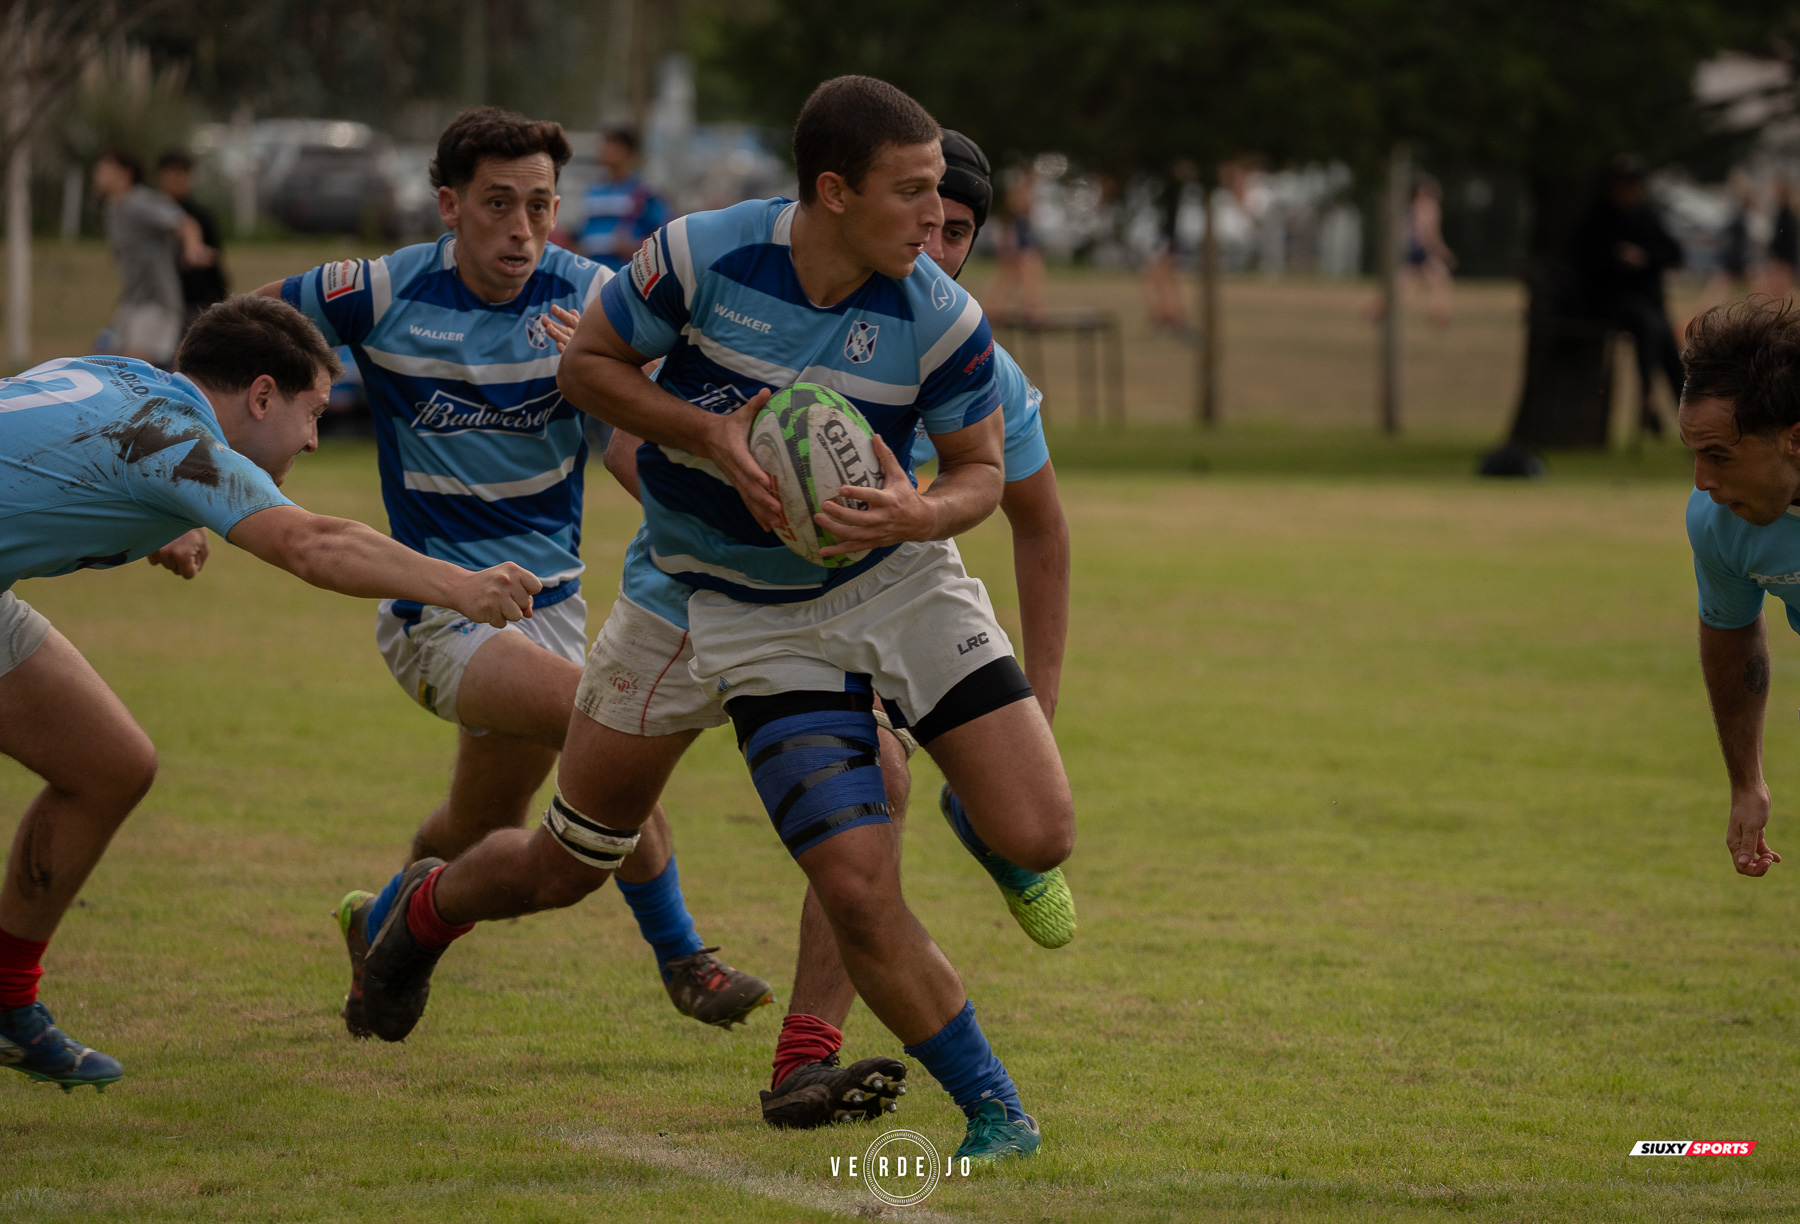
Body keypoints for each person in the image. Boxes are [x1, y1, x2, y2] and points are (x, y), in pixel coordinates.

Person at [362, 75, 1074, 1164]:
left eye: (950, 207)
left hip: (889, 581)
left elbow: (988, 477)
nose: (938, 227)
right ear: (833, 192)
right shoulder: (701, 257)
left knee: (1033, 830)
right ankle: (423, 913)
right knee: (574, 861)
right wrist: (710, 436)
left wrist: (919, 509)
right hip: (703, 601)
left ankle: (839, 1049)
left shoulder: (939, 316)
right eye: (916, 196)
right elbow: (587, 368)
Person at [250, 107, 770, 1040]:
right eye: (497, 205)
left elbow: (628, 456)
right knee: (609, 729)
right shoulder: (379, 291)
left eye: (540, 206)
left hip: (555, 611)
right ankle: (686, 961)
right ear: (449, 205)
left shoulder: (593, 299)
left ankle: (377, 934)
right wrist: (202, 469)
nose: (523, 230)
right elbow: (239, 336)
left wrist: (625, 383)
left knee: (477, 824)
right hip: (434, 614)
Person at [0, 296, 541, 1092]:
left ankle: (8, 1006)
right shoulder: (171, 439)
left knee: (110, 763)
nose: (316, 438)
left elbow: (58, 459)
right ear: (260, 396)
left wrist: (164, 521)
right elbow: (314, 544)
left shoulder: (120, 377)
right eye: (311, 413)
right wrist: (460, 586)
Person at [755, 126, 1076, 1130]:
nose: (935, 249)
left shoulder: (972, 355)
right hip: (724, 602)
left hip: (890, 603)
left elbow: (1041, 528)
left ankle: (809, 1056)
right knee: (573, 842)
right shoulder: (783, 313)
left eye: (959, 231)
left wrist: (1037, 718)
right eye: (923, 222)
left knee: (896, 790)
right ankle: (409, 916)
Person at [1675, 297, 1800, 883]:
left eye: (1719, 455)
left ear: (1794, 439)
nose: (1704, 482)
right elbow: (1731, 626)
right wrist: (1746, 782)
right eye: (1696, 455)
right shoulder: (1717, 521)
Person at [1569, 155, 1685, 438]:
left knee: (1668, 347)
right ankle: (1647, 398)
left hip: (1648, 303)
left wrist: (1644, 258)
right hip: (1609, 302)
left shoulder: (1647, 217)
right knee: (1647, 325)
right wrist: (1615, 257)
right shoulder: (1598, 218)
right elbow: (1583, 260)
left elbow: (1674, 253)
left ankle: (1686, 416)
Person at [91, 149, 214, 367]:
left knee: (133, 372)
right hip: (132, 302)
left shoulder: (139, 202)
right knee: (114, 367)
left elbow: (185, 223)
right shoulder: (113, 206)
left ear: (124, 174)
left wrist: (192, 248)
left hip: (156, 301)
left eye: (104, 170)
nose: (97, 175)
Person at [568, 128, 671, 273]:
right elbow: (583, 232)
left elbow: (664, 233)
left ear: (629, 152)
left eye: (614, 145)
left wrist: (636, 247)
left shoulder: (643, 191)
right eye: (605, 144)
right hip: (593, 272)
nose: (606, 150)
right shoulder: (593, 191)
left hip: (626, 274)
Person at [154, 151, 229, 328]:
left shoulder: (201, 217)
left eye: (183, 174)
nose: (178, 180)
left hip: (193, 301)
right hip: (158, 299)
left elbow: (214, 264)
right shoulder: (150, 216)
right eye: (173, 174)